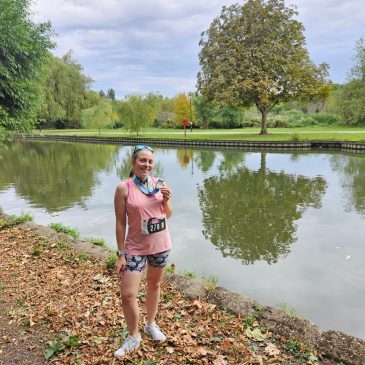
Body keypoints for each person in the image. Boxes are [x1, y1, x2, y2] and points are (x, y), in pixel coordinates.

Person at [113, 145, 173, 358]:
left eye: (150, 161)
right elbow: (121, 223)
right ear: (133, 162)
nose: (146, 164)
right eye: (142, 160)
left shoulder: (160, 184)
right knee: (128, 293)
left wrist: (166, 200)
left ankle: (150, 324)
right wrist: (120, 253)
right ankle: (133, 336)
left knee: (154, 285)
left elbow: (168, 214)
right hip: (135, 247)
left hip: (160, 244)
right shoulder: (124, 188)